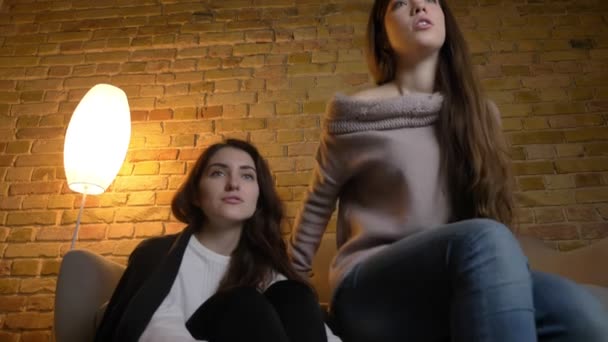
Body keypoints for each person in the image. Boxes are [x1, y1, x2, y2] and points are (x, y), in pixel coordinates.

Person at [288, 0, 608, 341]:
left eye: (430, 0)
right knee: (487, 238)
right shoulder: (355, 114)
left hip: (458, 278)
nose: (418, 7)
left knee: (582, 314)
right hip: (371, 288)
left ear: (444, 20)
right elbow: (316, 205)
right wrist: (289, 293)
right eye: (400, 3)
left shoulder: (481, 115)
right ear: (382, 35)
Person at [95, 139, 340, 342]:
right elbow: (158, 332)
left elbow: (320, 334)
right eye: (218, 173)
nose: (233, 184)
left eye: (247, 176)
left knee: (294, 295)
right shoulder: (157, 256)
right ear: (197, 195)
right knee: (243, 303)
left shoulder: (266, 268)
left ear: (258, 199)